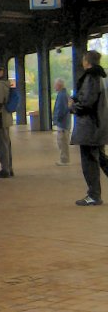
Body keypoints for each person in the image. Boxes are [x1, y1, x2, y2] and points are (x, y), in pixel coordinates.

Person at [69, 50, 108, 206]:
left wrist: (72, 106)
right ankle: (94, 194)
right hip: (98, 126)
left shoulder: (90, 77)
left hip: (90, 128)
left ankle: (93, 195)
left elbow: (86, 103)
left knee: (89, 161)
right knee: (102, 159)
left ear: (87, 61)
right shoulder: (100, 78)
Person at [52, 78, 71, 166]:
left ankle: (64, 160)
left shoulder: (62, 95)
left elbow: (61, 109)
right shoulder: (64, 94)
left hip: (62, 123)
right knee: (62, 142)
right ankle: (64, 159)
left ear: (59, 85)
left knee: (62, 142)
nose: (54, 86)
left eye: (55, 84)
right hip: (64, 122)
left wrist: (56, 119)